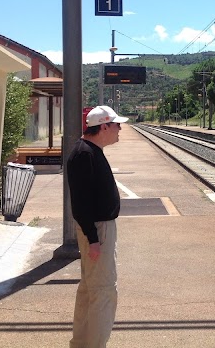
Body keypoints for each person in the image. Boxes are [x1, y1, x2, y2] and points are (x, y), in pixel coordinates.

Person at [67, 105, 128, 348]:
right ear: (104, 126)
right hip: (98, 230)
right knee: (103, 291)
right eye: (116, 124)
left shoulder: (89, 151)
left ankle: (82, 344)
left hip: (98, 229)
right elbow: (81, 202)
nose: (120, 129)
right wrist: (93, 239)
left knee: (90, 290)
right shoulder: (85, 154)